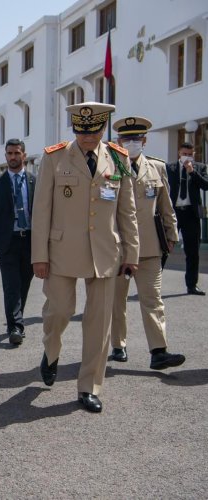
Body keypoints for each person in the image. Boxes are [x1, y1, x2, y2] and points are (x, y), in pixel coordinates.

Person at [32, 102, 139, 413]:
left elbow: (127, 210)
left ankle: (89, 386)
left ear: (103, 129)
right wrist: (39, 255)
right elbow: (41, 211)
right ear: (75, 129)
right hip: (62, 250)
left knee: (99, 323)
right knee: (60, 311)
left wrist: (131, 252)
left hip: (106, 252)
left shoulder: (118, 159)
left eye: (93, 132)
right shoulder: (54, 157)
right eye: (81, 131)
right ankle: (51, 351)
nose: (87, 137)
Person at [110, 117, 185, 369]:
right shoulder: (108, 167)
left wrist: (171, 233)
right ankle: (118, 345)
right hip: (117, 247)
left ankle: (158, 351)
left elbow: (166, 205)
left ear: (144, 140)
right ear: (118, 141)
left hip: (149, 246)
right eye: (126, 139)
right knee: (116, 300)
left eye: (136, 139)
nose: (131, 143)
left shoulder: (157, 168)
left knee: (153, 299)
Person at [0, 139, 35, 345]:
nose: (12, 157)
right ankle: (15, 326)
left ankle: (17, 320)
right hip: (8, 242)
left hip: (30, 241)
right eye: (9, 153)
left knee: (24, 284)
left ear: (24, 155)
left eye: (16, 153)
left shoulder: (36, 181)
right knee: (11, 286)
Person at [166, 142, 208, 295]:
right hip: (172, 213)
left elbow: (206, 185)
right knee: (164, 248)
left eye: (190, 154)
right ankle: (153, 284)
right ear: (179, 153)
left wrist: (192, 172)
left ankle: (192, 285)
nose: (187, 157)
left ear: (194, 154)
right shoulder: (169, 167)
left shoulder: (200, 167)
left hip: (191, 213)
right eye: (185, 153)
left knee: (193, 251)